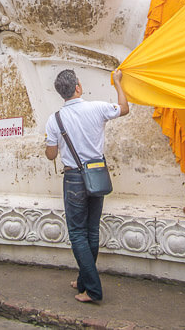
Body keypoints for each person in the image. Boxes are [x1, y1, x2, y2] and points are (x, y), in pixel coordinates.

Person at [44, 68, 129, 303]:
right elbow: (124, 108)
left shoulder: (55, 120)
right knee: (91, 230)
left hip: (73, 178)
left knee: (78, 233)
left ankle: (92, 288)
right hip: (96, 173)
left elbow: (51, 154)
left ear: (62, 93)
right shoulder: (97, 108)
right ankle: (83, 281)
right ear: (78, 88)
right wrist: (118, 83)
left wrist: (50, 145)